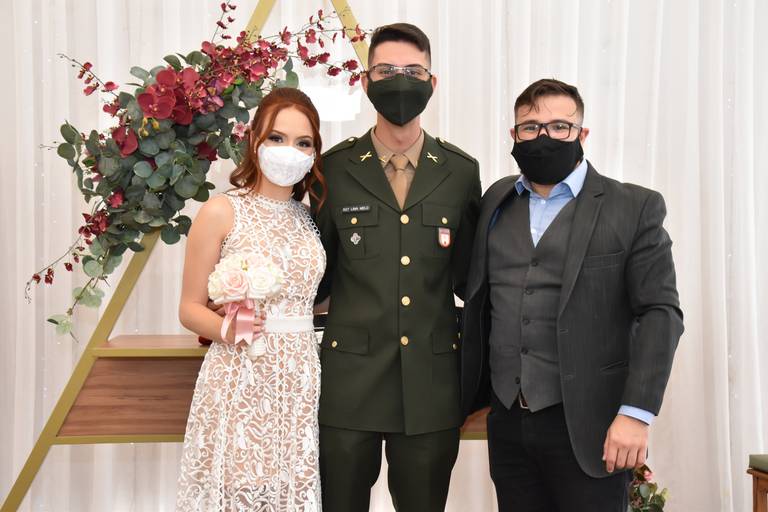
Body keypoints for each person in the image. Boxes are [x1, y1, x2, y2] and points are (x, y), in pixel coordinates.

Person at [460, 78, 684, 511]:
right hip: (508, 423)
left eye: (559, 126)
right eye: (530, 127)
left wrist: (635, 413)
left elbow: (661, 312)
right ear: (514, 134)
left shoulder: (632, 206)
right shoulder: (496, 200)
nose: (543, 136)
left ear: (582, 133)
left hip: (592, 424)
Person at [310, 23, 481, 512]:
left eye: (413, 71)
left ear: (432, 82)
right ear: (366, 82)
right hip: (349, 383)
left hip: (430, 383)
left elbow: (471, 280)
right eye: (386, 71)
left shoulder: (460, 171)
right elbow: (315, 274)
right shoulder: (333, 168)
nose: (400, 80)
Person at [176, 87, 327, 511]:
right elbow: (189, 308)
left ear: (314, 153)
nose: (289, 150)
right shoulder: (222, 211)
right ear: (255, 140)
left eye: (303, 142)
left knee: (290, 491)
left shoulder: (309, 218)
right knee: (240, 489)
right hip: (241, 371)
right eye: (277, 137)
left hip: (300, 375)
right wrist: (229, 328)